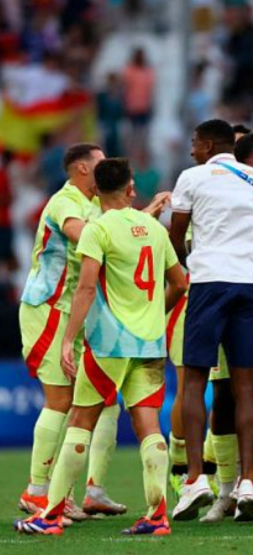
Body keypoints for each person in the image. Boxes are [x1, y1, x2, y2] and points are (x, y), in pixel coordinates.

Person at [15, 157, 188, 536]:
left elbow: (87, 286)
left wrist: (67, 339)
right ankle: (157, 516)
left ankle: (49, 514)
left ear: (97, 189)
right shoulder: (153, 228)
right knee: (148, 425)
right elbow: (180, 281)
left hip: (109, 343)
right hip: (150, 342)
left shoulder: (99, 230)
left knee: (79, 420)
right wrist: (155, 316)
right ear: (131, 189)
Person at [169, 120, 253, 521]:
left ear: (208, 144)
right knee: (246, 387)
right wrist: (252, 237)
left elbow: (176, 236)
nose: (191, 149)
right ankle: (247, 482)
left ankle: (194, 481)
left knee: (193, 381)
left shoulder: (192, 176)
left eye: (194, 142)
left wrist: (198, 248)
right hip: (250, 287)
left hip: (209, 284)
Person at [18, 144, 126, 522]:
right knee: (60, 400)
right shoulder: (65, 201)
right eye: (100, 163)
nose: (107, 167)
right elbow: (83, 235)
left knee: (103, 400)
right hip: (50, 309)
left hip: (80, 314)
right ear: (82, 168)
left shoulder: (95, 205)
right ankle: (37, 493)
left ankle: (92, 491)